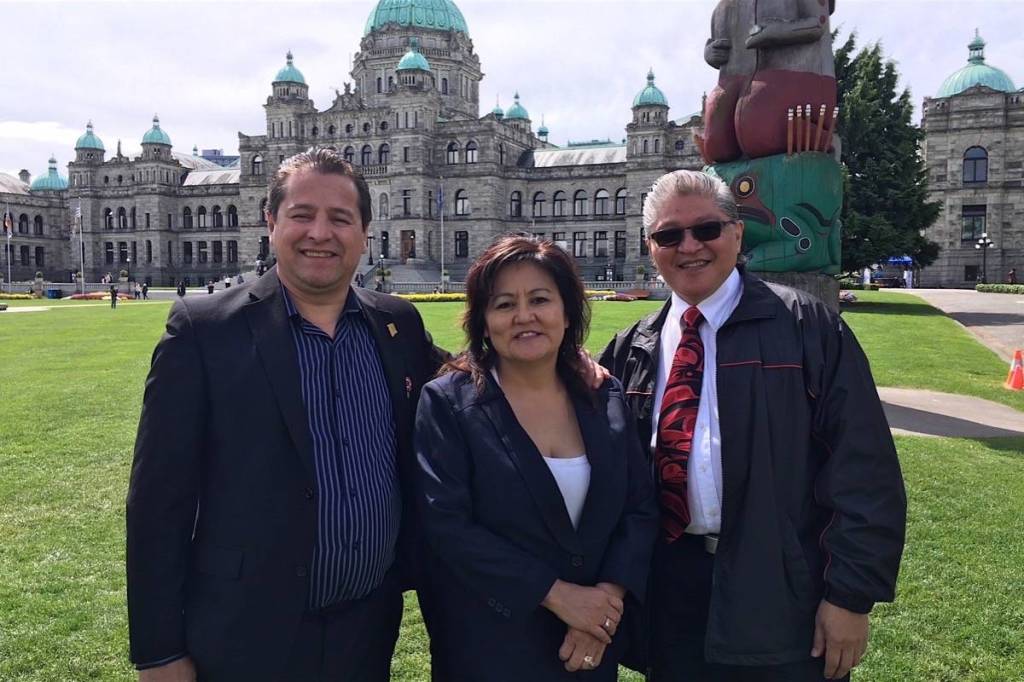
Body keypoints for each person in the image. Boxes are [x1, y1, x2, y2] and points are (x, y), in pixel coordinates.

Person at [126, 148, 448, 681]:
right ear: (271, 221)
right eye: (302, 214)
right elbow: (158, 501)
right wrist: (159, 651)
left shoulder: (398, 325)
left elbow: (472, 378)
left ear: (365, 231)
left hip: (366, 628)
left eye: (340, 218)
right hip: (244, 632)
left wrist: (565, 362)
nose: (320, 232)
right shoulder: (204, 331)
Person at [599, 170, 907, 681]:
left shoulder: (807, 329)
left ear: (737, 234)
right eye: (669, 235)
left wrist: (850, 597)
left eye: (707, 230)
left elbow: (864, 469)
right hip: (670, 590)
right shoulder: (634, 346)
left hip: (783, 591)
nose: (690, 246)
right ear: (651, 246)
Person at [415, 236, 658, 681]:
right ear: (484, 323)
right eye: (504, 304)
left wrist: (603, 600)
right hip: (490, 647)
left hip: (586, 649)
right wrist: (558, 595)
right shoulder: (449, 402)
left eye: (540, 299)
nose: (524, 316)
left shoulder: (603, 397)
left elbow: (639, 508)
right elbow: (445, 524)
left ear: (567, 312)